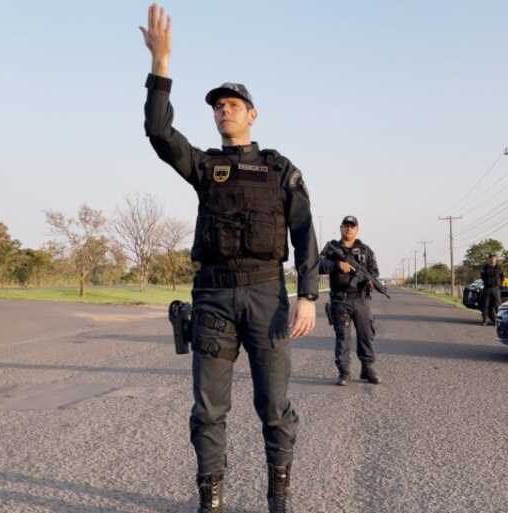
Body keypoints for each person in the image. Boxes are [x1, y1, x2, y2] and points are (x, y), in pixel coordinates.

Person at [140, 5, 318, 512]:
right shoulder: (204, 166)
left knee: (273, 407)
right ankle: (210, 500)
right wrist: (162, 66)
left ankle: (278, 498)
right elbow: (159, 134)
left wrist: (308, 295)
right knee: (209, 410)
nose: (224, 110)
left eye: (234, 103)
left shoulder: (280, 169)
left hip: (267, 296)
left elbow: (304, 230)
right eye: (218, 105)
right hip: (214, 298)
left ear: (252, 113)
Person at [319, 216, 380, 386]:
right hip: (340, 300)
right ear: (340, 228)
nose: (349, 229)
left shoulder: (365, 250)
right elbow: (317, 266)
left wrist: (371, 280)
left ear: (357, 229)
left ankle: (367, 369)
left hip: (361, 300)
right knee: (343, 338)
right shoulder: (333, 249)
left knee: (366, 335)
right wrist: (337, 266)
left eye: (352, 226)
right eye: (346, 226)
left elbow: (374, 272)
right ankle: (344, 372)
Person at [479, 253, 505, 325]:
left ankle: (499, 321)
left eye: (494, 259)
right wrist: (487, 281)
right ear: (488, 259)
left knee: (498, 306)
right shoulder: (484, 267)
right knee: (485, 305)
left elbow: (502, 277)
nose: (492, 260)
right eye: (491, 259)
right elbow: (482, 276)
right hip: (487, 288)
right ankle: (485, 321)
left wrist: (499, 284)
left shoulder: (499, 267)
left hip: (496, 289)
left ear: (496, 259)